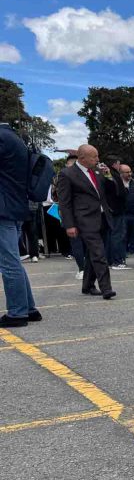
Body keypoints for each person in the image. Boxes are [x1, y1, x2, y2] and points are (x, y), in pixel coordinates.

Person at [55, 144, 116, 299]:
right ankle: (106, 288)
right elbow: (64, 202)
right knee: (99, 253)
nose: (98, 159)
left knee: (92, 254)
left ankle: (88, 285)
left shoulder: (97, 171)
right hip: (85, 219)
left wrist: (109, 176)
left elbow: (111, 191)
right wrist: (69, 225)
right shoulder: (67, 174)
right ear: (82, 158)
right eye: (94, 157)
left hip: (103, 217)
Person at [0, 120, 42, 326]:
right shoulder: (14, 137)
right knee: (13, 260)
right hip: (14, 206)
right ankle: (29, 308)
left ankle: (17, 313)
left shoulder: (2, 137)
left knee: (8, 262)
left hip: (4, 208)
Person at [101, 156, 130, 270]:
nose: (119, 166)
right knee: (117, 236)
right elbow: (119, 192)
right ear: (114, 164)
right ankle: (117, 261)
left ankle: (110, 260)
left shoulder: (105, 174)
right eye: (118, 163)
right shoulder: (113, 175)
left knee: (110, 236)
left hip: (109, 209)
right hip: (116, 209)